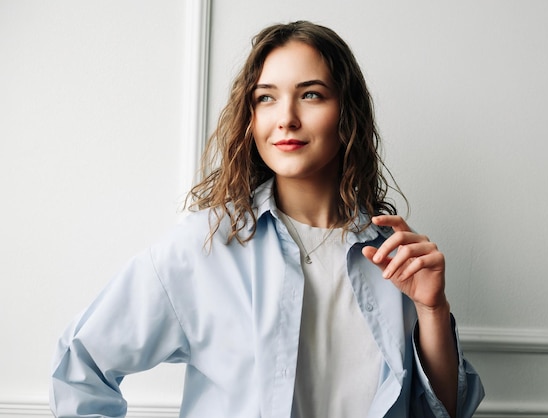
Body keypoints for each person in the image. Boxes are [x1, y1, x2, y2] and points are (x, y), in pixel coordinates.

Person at [50, 20, 484, 418]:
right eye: (266, 98)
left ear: (346, 113)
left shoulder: (393, 257)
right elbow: (81, 365)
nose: (286, 118)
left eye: (311, 94)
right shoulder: (206, 246)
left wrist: (432, 309)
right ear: (250, 117)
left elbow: (441, 412)